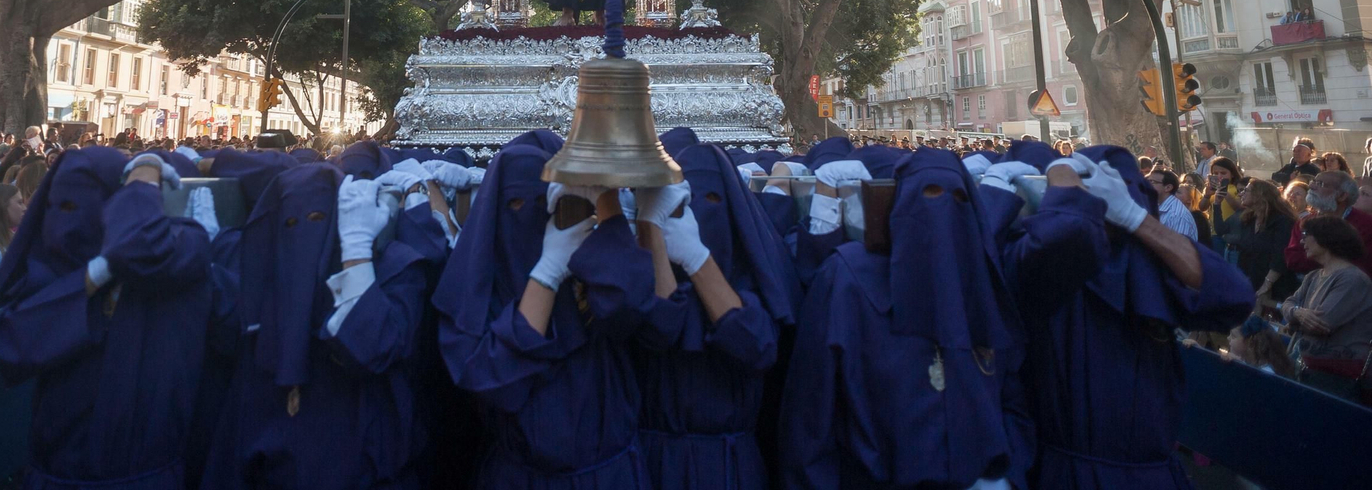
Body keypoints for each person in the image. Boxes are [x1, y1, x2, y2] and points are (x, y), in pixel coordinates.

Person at [781, 149, 1030, 490]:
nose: (941, 211)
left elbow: (1012, 390)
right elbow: (811, 413)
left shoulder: (979, 275)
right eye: (927, 194)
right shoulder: (850, 278)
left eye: (958, 197)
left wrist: (1007, 476)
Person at [1015, 147, 1253, 488]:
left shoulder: (1148, 267)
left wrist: (1134, 219)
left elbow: (1234, 297)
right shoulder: (1037, 259)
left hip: (1140, 472)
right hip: (1063, 467)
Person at [0, 148, 213, 490]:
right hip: (60, 469)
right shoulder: (45, 272)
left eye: (79, 206)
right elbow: (10, 345)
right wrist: (98, 271)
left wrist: (147, 192)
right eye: (56, 205)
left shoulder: (174, 264)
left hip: (146, 471)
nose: (66, 221)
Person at [201, 161, 439, 490]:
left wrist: (356, 254)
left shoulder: (393, 270)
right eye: (290, 224)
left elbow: (374, 348)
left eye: (317, 221)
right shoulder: (265, 307)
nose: (303, 236)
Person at [434, 142, 657, 488]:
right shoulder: (479, 290)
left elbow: (633, 305)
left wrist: (604, 200)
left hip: (610, 475)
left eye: (542, 204)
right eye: (516, 205)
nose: (530, 216)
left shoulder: (593, 272)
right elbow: (495, 383)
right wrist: (546, 273)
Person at [631, 139, 795, 490]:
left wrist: (696, 258)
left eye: (712, 202)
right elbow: (657, 327)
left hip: (728, 464)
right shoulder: (648, 269)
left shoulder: (753, 274)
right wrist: (654, 229)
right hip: (654, 458)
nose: (702, 216)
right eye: (684, 208)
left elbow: (755, 347)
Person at [1279, 214, 1372, 400]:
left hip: (1336, 380)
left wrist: (1294, 318)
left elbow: (1320, 324)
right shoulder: (1313, 276)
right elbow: (1288, 304)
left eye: (1306, 234)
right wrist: (1297, 312)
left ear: (1326, 238)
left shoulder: (1352, 279)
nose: (1302, 239)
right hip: (1308, 369)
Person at [1220, 178, 1298, 303]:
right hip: (1251, 281)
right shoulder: (1249, 219)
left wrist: (1266, 285)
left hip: (1275, 287)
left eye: (1246, 190)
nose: (1241, 194)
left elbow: (1280, 256)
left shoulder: (1282, 221)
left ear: (1260, 195)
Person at [1226, 315, 1295, 378]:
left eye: (1233, 336)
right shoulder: (1255, 367)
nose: (1228, 338)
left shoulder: (1266, 373)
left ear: (1250, 342)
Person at [1150, 169, 1200, 242]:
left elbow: (1179, 250)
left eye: (1152, 182)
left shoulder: (1177, 216)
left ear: (1168, 187)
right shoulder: (1157, 206)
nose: (1146, 184)